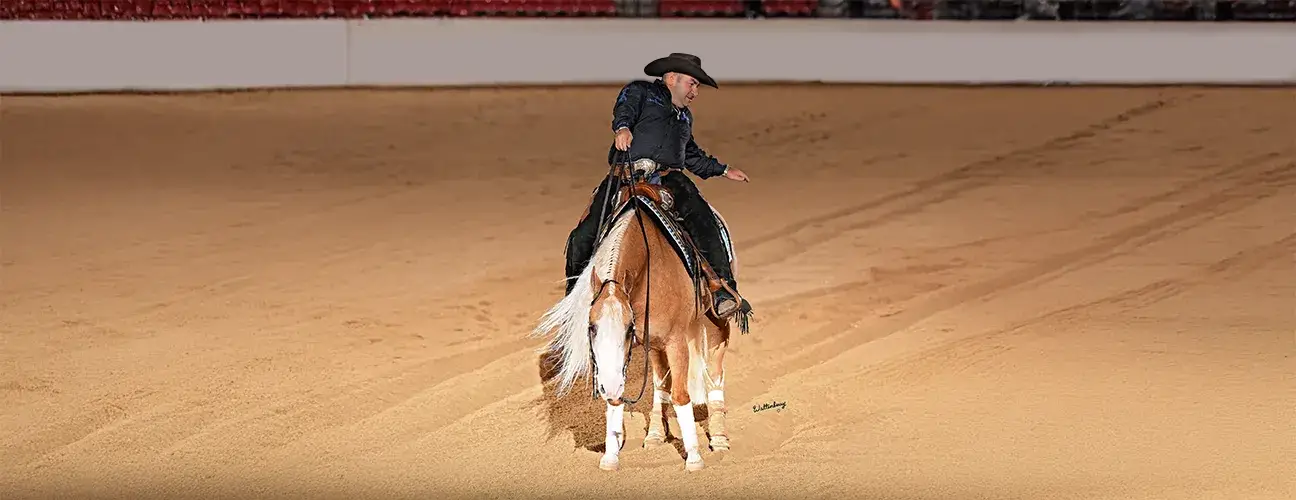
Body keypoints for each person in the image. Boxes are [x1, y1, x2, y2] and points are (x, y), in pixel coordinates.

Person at [562, 53, 752, 320]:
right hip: (625, 174)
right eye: (692, 84)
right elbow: (625, 109)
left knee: (703, 220)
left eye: (697, 86)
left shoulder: (685, 117)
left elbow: (692, 155)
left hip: (669, 178)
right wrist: (623, 128)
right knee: (585, 234)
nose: (695, 92)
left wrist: (722, 170)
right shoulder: (641, 91)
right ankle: (574, 298)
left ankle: (722, 288)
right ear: (672, 78)